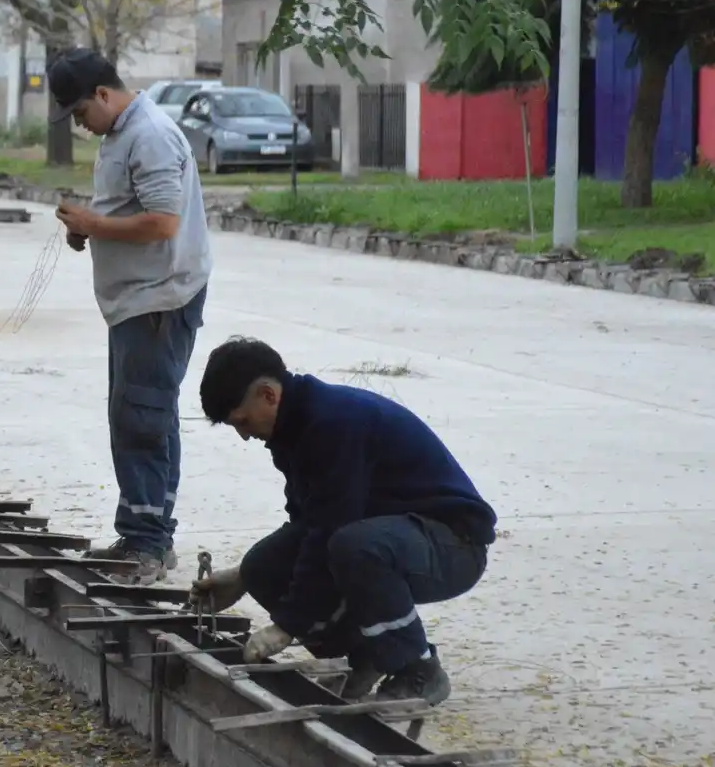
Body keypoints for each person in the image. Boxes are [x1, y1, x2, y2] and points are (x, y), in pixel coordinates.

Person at [191, 337, 497, 706]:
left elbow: (330, 529)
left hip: (452, 544)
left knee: (354, 546)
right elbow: (309, 523)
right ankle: (369, 654)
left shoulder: (334, 423)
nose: (243, 435)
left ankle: (419, 670)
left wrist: (287, 626)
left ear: (269, 395)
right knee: (264, 565)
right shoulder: (293, 431)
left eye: (242, 421)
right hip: (396, 533)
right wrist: (243, 576)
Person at [47, 47, 213, 583]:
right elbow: (127, 214)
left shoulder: (151, 135)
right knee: (145, 414)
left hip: (159, 298)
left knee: (141, 417)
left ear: (103, 94)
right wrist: (86, 229)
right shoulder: (121, 134)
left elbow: (163, 223)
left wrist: (94, 225)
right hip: (135, 300)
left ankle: (146, 545)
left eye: (80, 113)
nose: (80, 124)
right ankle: (147, 536)